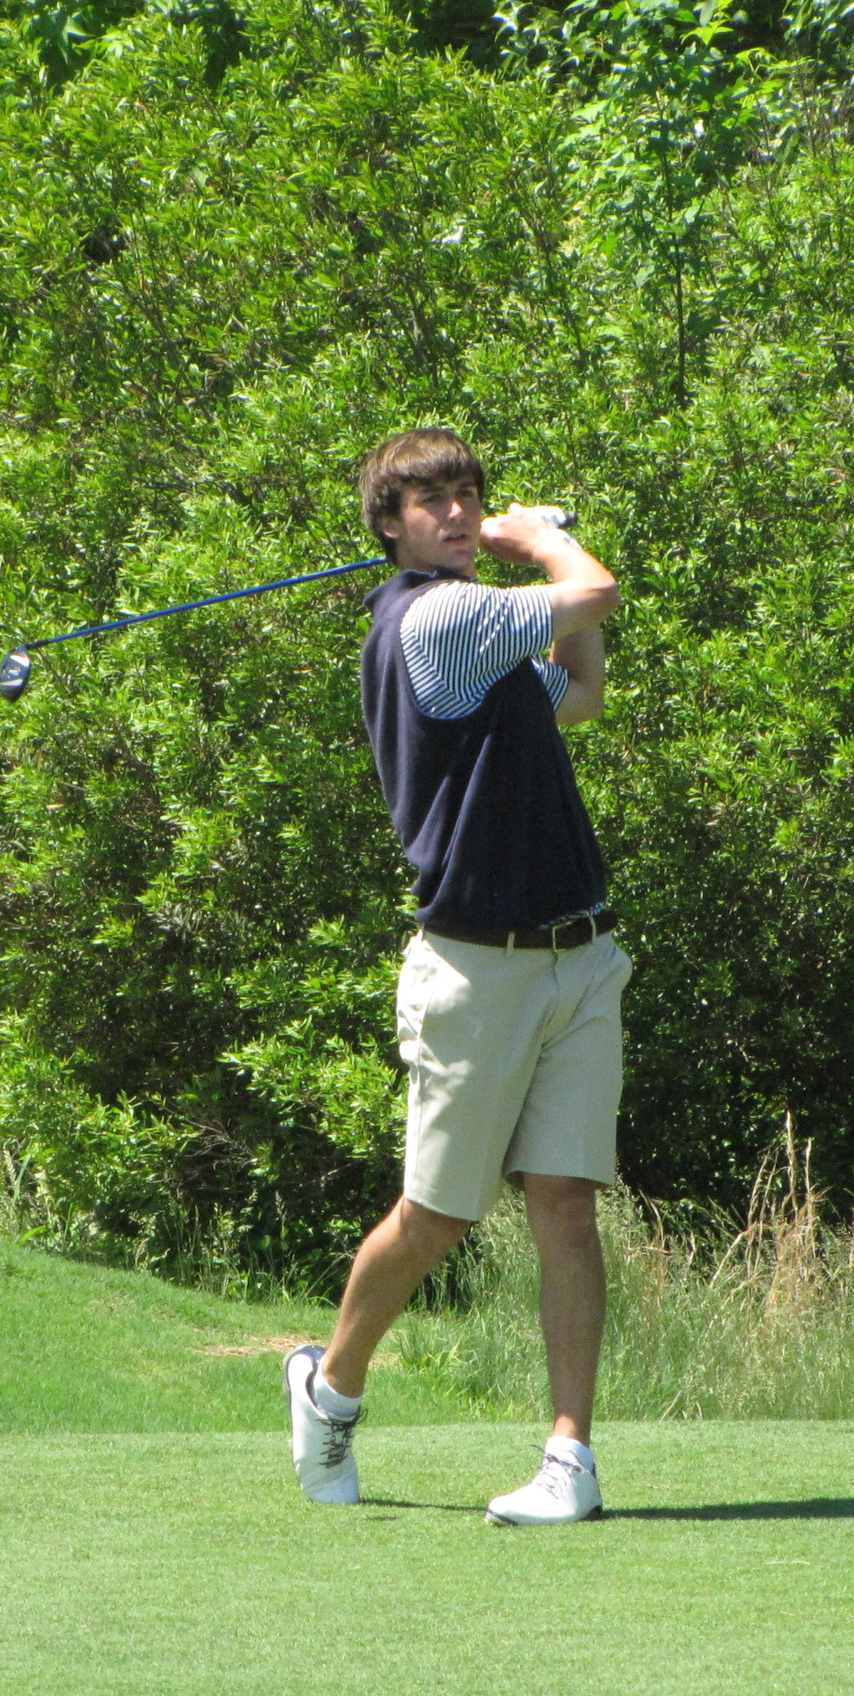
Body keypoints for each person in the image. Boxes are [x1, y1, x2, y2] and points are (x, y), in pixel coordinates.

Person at [285, 428, 628, 1526]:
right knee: (439, 1217)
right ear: (387, 526)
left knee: (566, 1207)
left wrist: (548, 575)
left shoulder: (476, 635)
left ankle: (567, 1461)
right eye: (430, 501)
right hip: (477, 966)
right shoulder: (437, 618)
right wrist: (542, 545)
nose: (458, 513)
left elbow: (575, 699)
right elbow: (600, 591)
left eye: (470, 496)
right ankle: (331, 1388)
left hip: (578, 953)